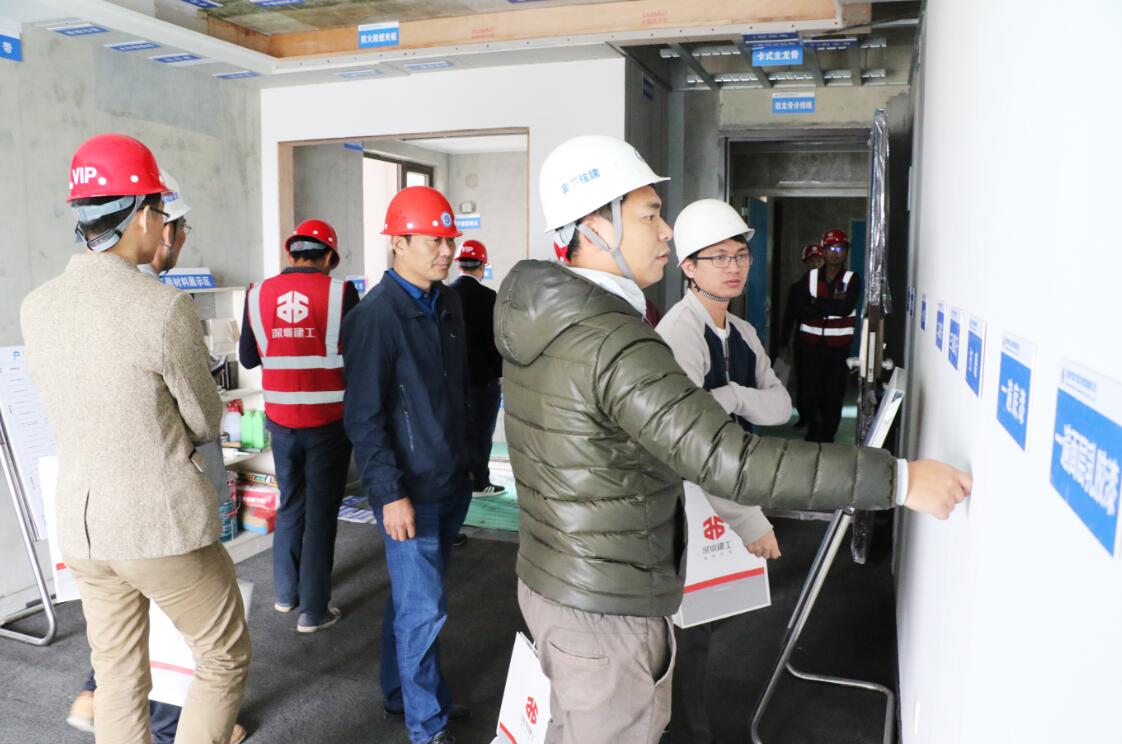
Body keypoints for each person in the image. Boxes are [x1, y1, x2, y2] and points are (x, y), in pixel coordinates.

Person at [493, 134, 972, 744]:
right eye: (649, 215)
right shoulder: (613, 338)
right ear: (595, 227)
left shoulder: (549, 319)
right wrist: (898, 479)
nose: (666, 231)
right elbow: (729, 460)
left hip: (559, 578)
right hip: (603, 604)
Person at [22, 133, 250, 744]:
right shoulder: (163, 307)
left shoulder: (37, 306)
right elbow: (204, 420)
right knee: (222, 655)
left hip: (84, 526)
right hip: (158, 523)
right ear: (145, 216)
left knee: (118, 676)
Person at [655, 198, 790, 744]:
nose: (733, 267)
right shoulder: (679, 333)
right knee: (683, 631)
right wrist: (750, 521)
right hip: (685, 499)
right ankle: (685, 733)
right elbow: (690, 445)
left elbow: (781, 406)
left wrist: (730, 395)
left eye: (740, 255)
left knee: (703, 623)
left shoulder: (741, 330)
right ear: (688, 266)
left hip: (724, 490)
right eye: (717, 257)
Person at [342, 186, 473, 744]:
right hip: (408, 490)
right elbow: (364, 417)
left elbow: (453, 394)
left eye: (449, 240)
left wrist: (468, 463)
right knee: (423, 611)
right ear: (398, 242)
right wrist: (388, 492)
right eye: (433, 241)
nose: (446, 251)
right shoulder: (375, 317)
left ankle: (403, 695)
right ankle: (427, 727)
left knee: (412, 601)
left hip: (449, 478)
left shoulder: (446, 303)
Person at [240, 218, 359, 632]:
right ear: (329, 258)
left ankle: (286, 595)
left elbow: (249, 358)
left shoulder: (257, 294)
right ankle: (313, 609)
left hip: (280, 420)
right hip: (328, 421)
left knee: (291, 503)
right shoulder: (341, 292)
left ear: (290, 253)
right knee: (321, 511)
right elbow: (358, 352)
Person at [449, 240, 505, 497]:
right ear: (482, 266)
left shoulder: (444, 295)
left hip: (451, 380)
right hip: (483, 379)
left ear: (458, 265)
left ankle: (457, 481)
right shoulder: (489, 297)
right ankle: (479, 483)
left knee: (454, 432)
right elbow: (495, 341)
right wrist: (499, 372)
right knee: (481, 433)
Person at [794, 228, 861, 443]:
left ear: (846, 251)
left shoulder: (852, 279)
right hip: (810, 346)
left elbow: (845, 308)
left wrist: (817, 303)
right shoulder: (810, 277)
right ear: (824, 251)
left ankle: (829, 434)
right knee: (810, 392)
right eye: (831, 248)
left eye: (840, 249)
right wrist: (831, 303)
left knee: (833, 394)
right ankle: (813, 431)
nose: (835, 253)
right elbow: (802, 308)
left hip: (837, 349)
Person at [778, 242, 825, 428]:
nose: (815, 264)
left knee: (823, 380)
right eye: (811, 261)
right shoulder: (797, 289)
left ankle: (820, 416)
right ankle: (805, 416)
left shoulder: (830, 289)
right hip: (804, 342)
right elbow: (789, 317)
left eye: (818, 261)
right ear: (805, 263)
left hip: (827, 343)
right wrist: (783, 343)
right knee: (804, 380)